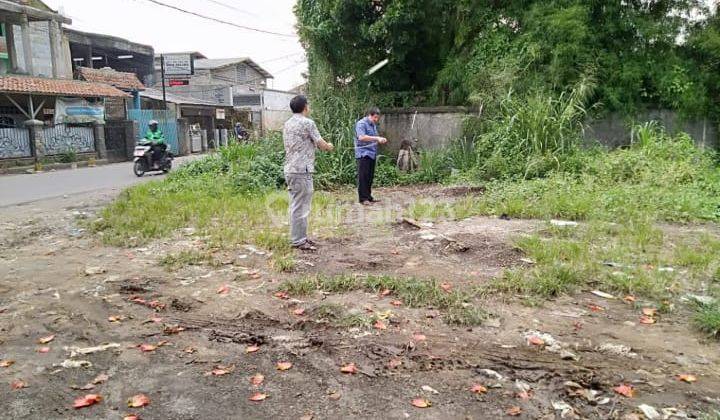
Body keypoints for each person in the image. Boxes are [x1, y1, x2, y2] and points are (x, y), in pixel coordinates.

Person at [283, 95, 334, 251]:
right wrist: (329, 146)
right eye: (308, 105)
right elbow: (320, 143)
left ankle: (301, 237)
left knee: (297, 205)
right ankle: (298, 240)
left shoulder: (287, 124)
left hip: (291, 169)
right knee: (301, 206)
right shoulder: (307, 123)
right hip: (302, 170)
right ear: (305, 107)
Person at [354, 107, 387, 205]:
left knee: (369, 176)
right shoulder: (361, 124)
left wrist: (379, 140)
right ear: (370, 115)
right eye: (375, 118)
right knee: (363, 176)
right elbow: (361, 137)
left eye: (377, 118)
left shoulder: (373, 125)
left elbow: (372, 138)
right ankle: (363, 198)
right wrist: (377, 138)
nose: (376, 120)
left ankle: (368, 196)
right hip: (363, 153)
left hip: (372, 154)